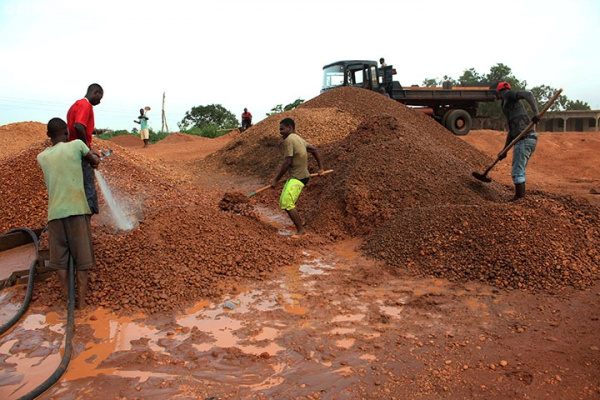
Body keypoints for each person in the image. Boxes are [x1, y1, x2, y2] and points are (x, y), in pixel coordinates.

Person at [37, 118, 101, 309]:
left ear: (48, 136)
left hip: (55, 216)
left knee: (61, 264)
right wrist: (95, 158)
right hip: (77, 211)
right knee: (82, 262)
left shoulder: (42, 157)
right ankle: (81, 303)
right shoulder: (77, 145)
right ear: (66, 132)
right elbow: (94, 161)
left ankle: (68, 301)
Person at [271, 117, 324, 237]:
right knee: (283, 201)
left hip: (298, 177)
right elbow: (314, 150)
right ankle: (299, 222)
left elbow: (287, 162)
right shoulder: (298, 138)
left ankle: (301, 230)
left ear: (290, 128)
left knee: (286, 202)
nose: (280, 132)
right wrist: (320, 168)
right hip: (299, 176)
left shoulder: (289, 140)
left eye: (282, 129)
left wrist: (276, 180)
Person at [496, 81, 540, 201]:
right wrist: (504, 150)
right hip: (529, 139)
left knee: (517, 171)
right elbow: (512, 131)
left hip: (525, 139)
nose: (504, 94)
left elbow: (528, 94)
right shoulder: (509, 106)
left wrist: (536, 112)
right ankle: (520, 197)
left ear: (499, 93)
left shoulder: (509, 96)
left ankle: (520, 199)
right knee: (519, 169)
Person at [67, 83, 103, 215]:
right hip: (80, 154)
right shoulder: (85, 105)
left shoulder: (75, 105)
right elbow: (78, 126)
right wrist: (87, 151)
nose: (99, 101)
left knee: (79, 187)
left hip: (72, 152)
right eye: (100, 98)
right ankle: (85, 221)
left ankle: (79, 220)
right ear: (96, 93)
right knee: (88, 188)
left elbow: (76, 127)